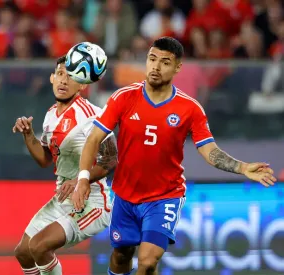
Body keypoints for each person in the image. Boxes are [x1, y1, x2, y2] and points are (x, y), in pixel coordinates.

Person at [72, 37, 276, 275]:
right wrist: (83, 179)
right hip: (125, 195)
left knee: (148, 261)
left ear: (178, 67)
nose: (156, 67)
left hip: (164, 196)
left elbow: (209, 151)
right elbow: (93, 139)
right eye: (152, 59)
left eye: (165, 62)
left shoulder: (190, 109)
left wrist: (242, 168)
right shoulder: (123, 98)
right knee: (121, 255)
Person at [12, 56, 117, 275]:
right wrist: (28, 135)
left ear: (82, 84)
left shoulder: (92, 116)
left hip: (92, 202)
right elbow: (44, 159)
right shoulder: (51, 115)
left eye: (71, 76)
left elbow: (111, 160)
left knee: (40, 246)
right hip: (63, 198)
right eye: (60, 74)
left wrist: (81, 179)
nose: (63, 81)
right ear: (52, 78)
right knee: (23, 251)